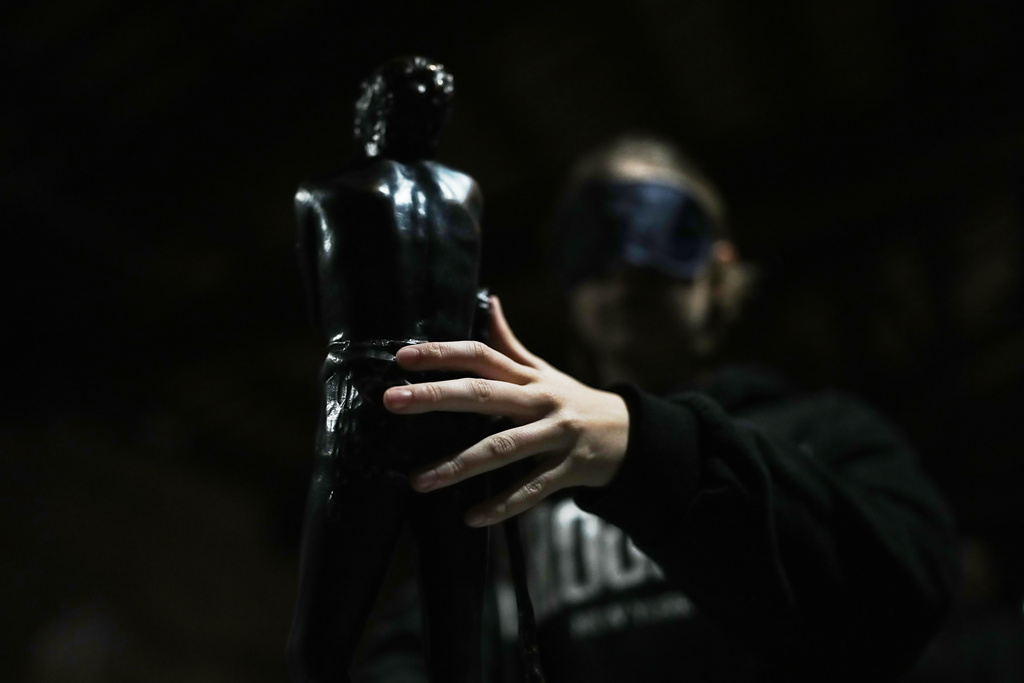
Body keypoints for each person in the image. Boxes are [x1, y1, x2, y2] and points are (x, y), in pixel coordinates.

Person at [374, 137, 961, 682]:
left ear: (721, 276)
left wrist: (643, 447)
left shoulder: (825, 431)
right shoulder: (512, 469)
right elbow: (414, 649)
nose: (628, 269)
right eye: (595, 240)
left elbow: (906, 599)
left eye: (666, 234)